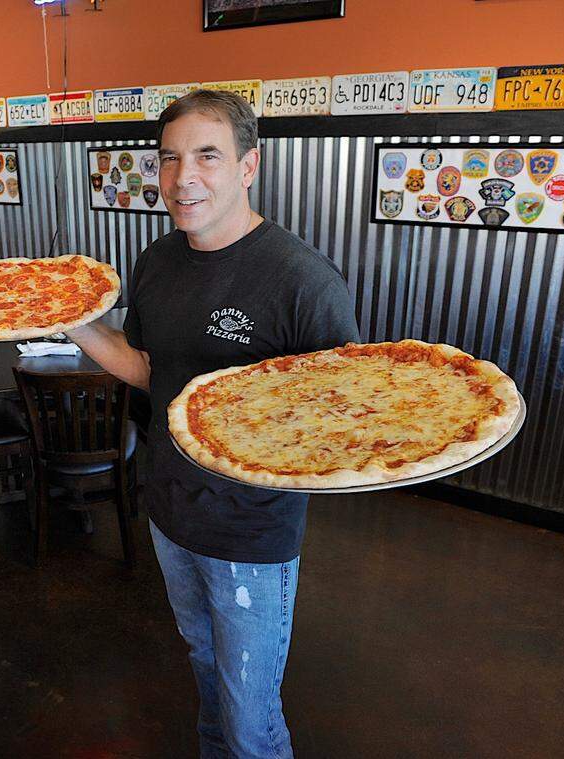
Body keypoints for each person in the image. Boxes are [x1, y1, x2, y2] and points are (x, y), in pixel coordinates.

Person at [67, 90, 361, 758]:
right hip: (169, 510)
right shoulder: (156, 261)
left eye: (207, 156)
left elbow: (340, 418)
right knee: (204, 665)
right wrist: (69, 319)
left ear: (248, 166)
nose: (182, 179)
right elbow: (150, 369)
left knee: (251, 718)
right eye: (169, 159)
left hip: (250, 532)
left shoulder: (302, 279)